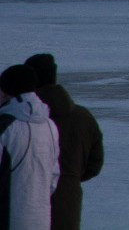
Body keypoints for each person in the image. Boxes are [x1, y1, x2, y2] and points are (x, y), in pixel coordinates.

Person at [23, 57, 99, 230]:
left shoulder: (21, 119)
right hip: (68, 201)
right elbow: (94, 165)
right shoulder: (83, 117)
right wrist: (69, 179)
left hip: (27, 200)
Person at [0, 65, 59, 230]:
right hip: (40, 219)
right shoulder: (50, 125)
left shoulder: (6, 126)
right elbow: (53, 175)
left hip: (8, 219)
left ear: (5, 91)